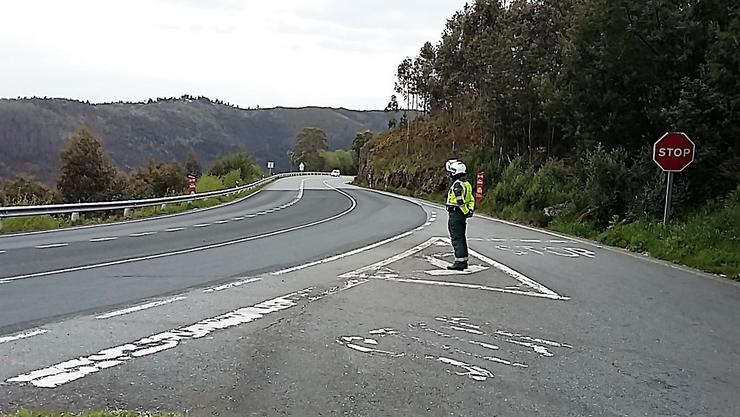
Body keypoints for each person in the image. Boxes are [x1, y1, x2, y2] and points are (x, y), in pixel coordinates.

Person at [444, 159, 475, 270]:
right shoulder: (467, 184)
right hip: (461, 215)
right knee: (461, 237)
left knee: (456, 237)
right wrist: (470, 211)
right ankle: (464, 259)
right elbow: (471, 199)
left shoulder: (457, 185)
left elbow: (459, 200)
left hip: (456, 213)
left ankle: (459, 261)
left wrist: (465, 211)